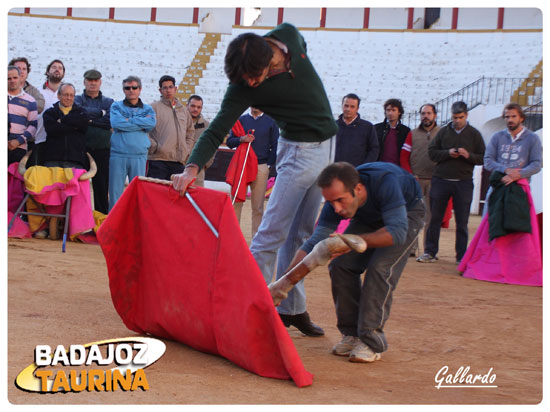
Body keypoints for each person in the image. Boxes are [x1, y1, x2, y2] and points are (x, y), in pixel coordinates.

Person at [172, 23, 338, 336]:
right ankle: (249, 313)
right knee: (270, 235)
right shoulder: (242, 86)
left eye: (253, 76)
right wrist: (192, 167)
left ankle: (291, 308)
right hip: (298, 151)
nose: (249, 84)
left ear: (269, 60)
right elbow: (218, 126)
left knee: (301, 233)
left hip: (328, 146)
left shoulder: (289, 35)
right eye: (243, 80)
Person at [283, 162, 424, 362]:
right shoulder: (337, 196)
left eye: (341, 200)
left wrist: (355, 241)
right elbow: (315, 242)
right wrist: (284, 283)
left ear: (358, 188)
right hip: (368, 218)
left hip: (405, 217)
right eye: (331, 202)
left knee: (380, 269)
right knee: (341, 265)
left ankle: (372, 341)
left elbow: (396, 233)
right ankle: (351, 334)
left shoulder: (387, 182)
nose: (337, 208)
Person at [417, 101, 485, 264]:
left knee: (462, 221)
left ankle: (461, 256)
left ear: (466, 116)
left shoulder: (474, 134)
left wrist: (468, 155)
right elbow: (432, 153)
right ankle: (430, 252)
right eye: (454, 117)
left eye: (460, 117)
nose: (457, 120)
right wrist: (448, 153)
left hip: (463, 182)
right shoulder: (443, 132)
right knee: (435, 218)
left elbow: (482, 158)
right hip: (441, 180)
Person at [226, 107, 279, 237]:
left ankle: (256, 240)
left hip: (261, 166)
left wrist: (268, 165)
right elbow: (229, 142)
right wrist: (241, 139)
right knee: (237, 203)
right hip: (242, 166)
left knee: (257, 206)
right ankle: (233, 237)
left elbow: (276, 145)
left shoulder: (271, 121)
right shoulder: (242, 120)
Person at [109, 76, 156, 211]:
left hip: (139, 155)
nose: (131, 90)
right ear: (123, 90)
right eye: (127, 88)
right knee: (115, 194)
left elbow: (151, 124)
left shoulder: (148, 109)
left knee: (137, 193)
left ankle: (135, 226)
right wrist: (140, 123)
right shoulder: (116, 105)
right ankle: (114, 227)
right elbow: (116, 123)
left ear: (140, 89)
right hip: (118, 154)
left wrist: (128, 121)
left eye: (134, 87)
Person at [400, 103, 441, 255]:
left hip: (434, 180)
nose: (426, 116)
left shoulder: (441, 133)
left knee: (431, 217)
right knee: (413, 215)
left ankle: (428, 250)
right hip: (415, 180)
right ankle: (411, 248)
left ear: (435, 115)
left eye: (429, 113)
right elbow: (404, 157)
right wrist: (410, 174)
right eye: (423, 113)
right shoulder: (412, 134)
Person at [483, 103, 542, 206]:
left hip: (520, 188)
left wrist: (519, 174)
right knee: (491, 220)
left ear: (521, 118)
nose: (510, 120)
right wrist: (506, 170)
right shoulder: (497, 137)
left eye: (514, 116)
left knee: (517, 221)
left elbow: (536, 164)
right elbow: (487, 161)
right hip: (498, 185)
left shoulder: (533, 138)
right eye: (507, 117)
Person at [74, 69, 114, 215]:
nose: (92, 83)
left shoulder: (108, 102)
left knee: (101, 187)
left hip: (103, 150)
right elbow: (77, 116)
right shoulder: (77, 100)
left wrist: (88, 120)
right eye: (89, 80)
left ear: (100, 82)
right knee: (77, 186)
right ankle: (77, 221)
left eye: (95, 80)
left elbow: (109, 121)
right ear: (84, 82)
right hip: (80, 149)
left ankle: (101, 221)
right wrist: (99, 115)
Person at [147, 75, 195, 181]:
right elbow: (144, 131)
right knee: (156, 194)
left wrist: (186, 150)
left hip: (179, 161)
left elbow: (190, 133)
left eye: (170, 87)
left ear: (175, 88)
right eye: (165, 88)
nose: (168, 90)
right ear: (160, 90)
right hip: (158, 160)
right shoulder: (152, 108)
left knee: (175, 196)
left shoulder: (183, 110)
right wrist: (155, 147)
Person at [41, 83, 88, 168]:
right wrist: (74, 127)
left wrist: (62, 121)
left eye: (71, 95)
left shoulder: (82, 113)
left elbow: (84, 123)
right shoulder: (50, 113)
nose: (68, 98)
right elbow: (51, 129)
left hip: (75, 161)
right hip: (52, 160)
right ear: (58, 96)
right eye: (65, 95)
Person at [334, 93, 379, 166]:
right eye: (346, 106)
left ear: (357, 108)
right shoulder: (334, 126)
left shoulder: (367, 127)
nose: (348, 109)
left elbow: (374, 150)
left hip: (357, 173)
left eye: (352, 107)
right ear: (342, 106)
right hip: (335, 171)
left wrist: (363, 167)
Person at [8, 65, 37, 165]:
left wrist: (18, 141)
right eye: (9, 78)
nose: (12, 81)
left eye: (15, 78)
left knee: (15, 180)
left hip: (19, 148)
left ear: (20, 78)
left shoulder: (31, 101)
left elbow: (33, 126)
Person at [374, 98, 412, 168]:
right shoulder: (377, 128)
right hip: (379, 168)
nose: (390, 113)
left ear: (399, 112)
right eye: (388, 110)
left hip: (398, 169)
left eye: (393, 110)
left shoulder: (405, 131)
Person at [35, 59, 65, 145]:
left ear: (63, 73)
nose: (57, 70)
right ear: (47, 72)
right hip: (40, 140)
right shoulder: (37, 92)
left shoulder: (68, 94)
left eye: (60, 68)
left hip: (60, 142)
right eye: (54, 67)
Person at [186, 94, 211, 187]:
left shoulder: (207, 126)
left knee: (197, 198)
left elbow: (212, 147)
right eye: (192, 106)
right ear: (187, 105)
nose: (195, 109)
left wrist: (204, 164)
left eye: (198, 107)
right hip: (178, 166)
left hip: (197, 169)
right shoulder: (178, 123)